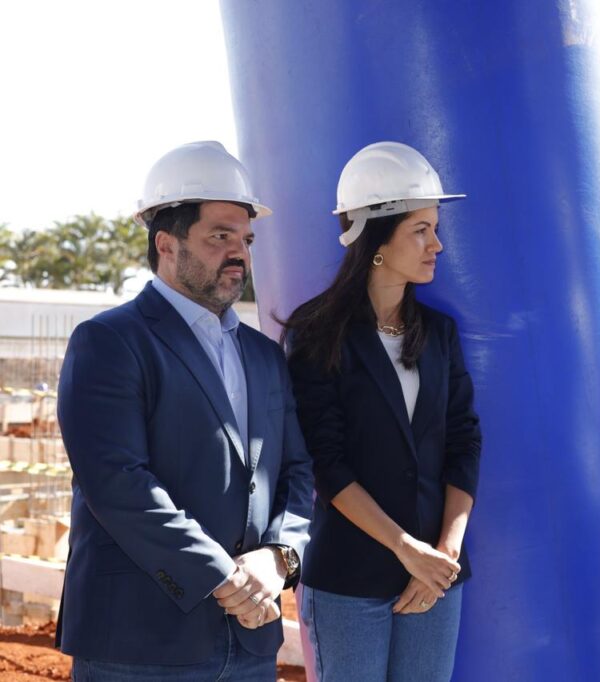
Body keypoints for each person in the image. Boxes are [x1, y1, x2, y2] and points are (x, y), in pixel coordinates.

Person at [56, 141, 314, 680]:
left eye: (246, 239)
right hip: (139, 645)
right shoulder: (109, 342)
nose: (240, 253)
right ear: (166, 244)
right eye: (220, 236)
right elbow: (118, 484)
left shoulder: (265, 355)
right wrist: (227, 577)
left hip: (249, 644)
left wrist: (280, 557)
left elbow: (297, 472)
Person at [283, 141, 482, 682]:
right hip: (349, 578)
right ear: (377, 239)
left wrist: (443, 554)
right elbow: (326, 462)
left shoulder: (439, 333)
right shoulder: (317, 334)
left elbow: (464, 441)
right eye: (421, 230)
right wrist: (406, 549)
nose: (437, 244)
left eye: (434, 228)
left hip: (436, 575)